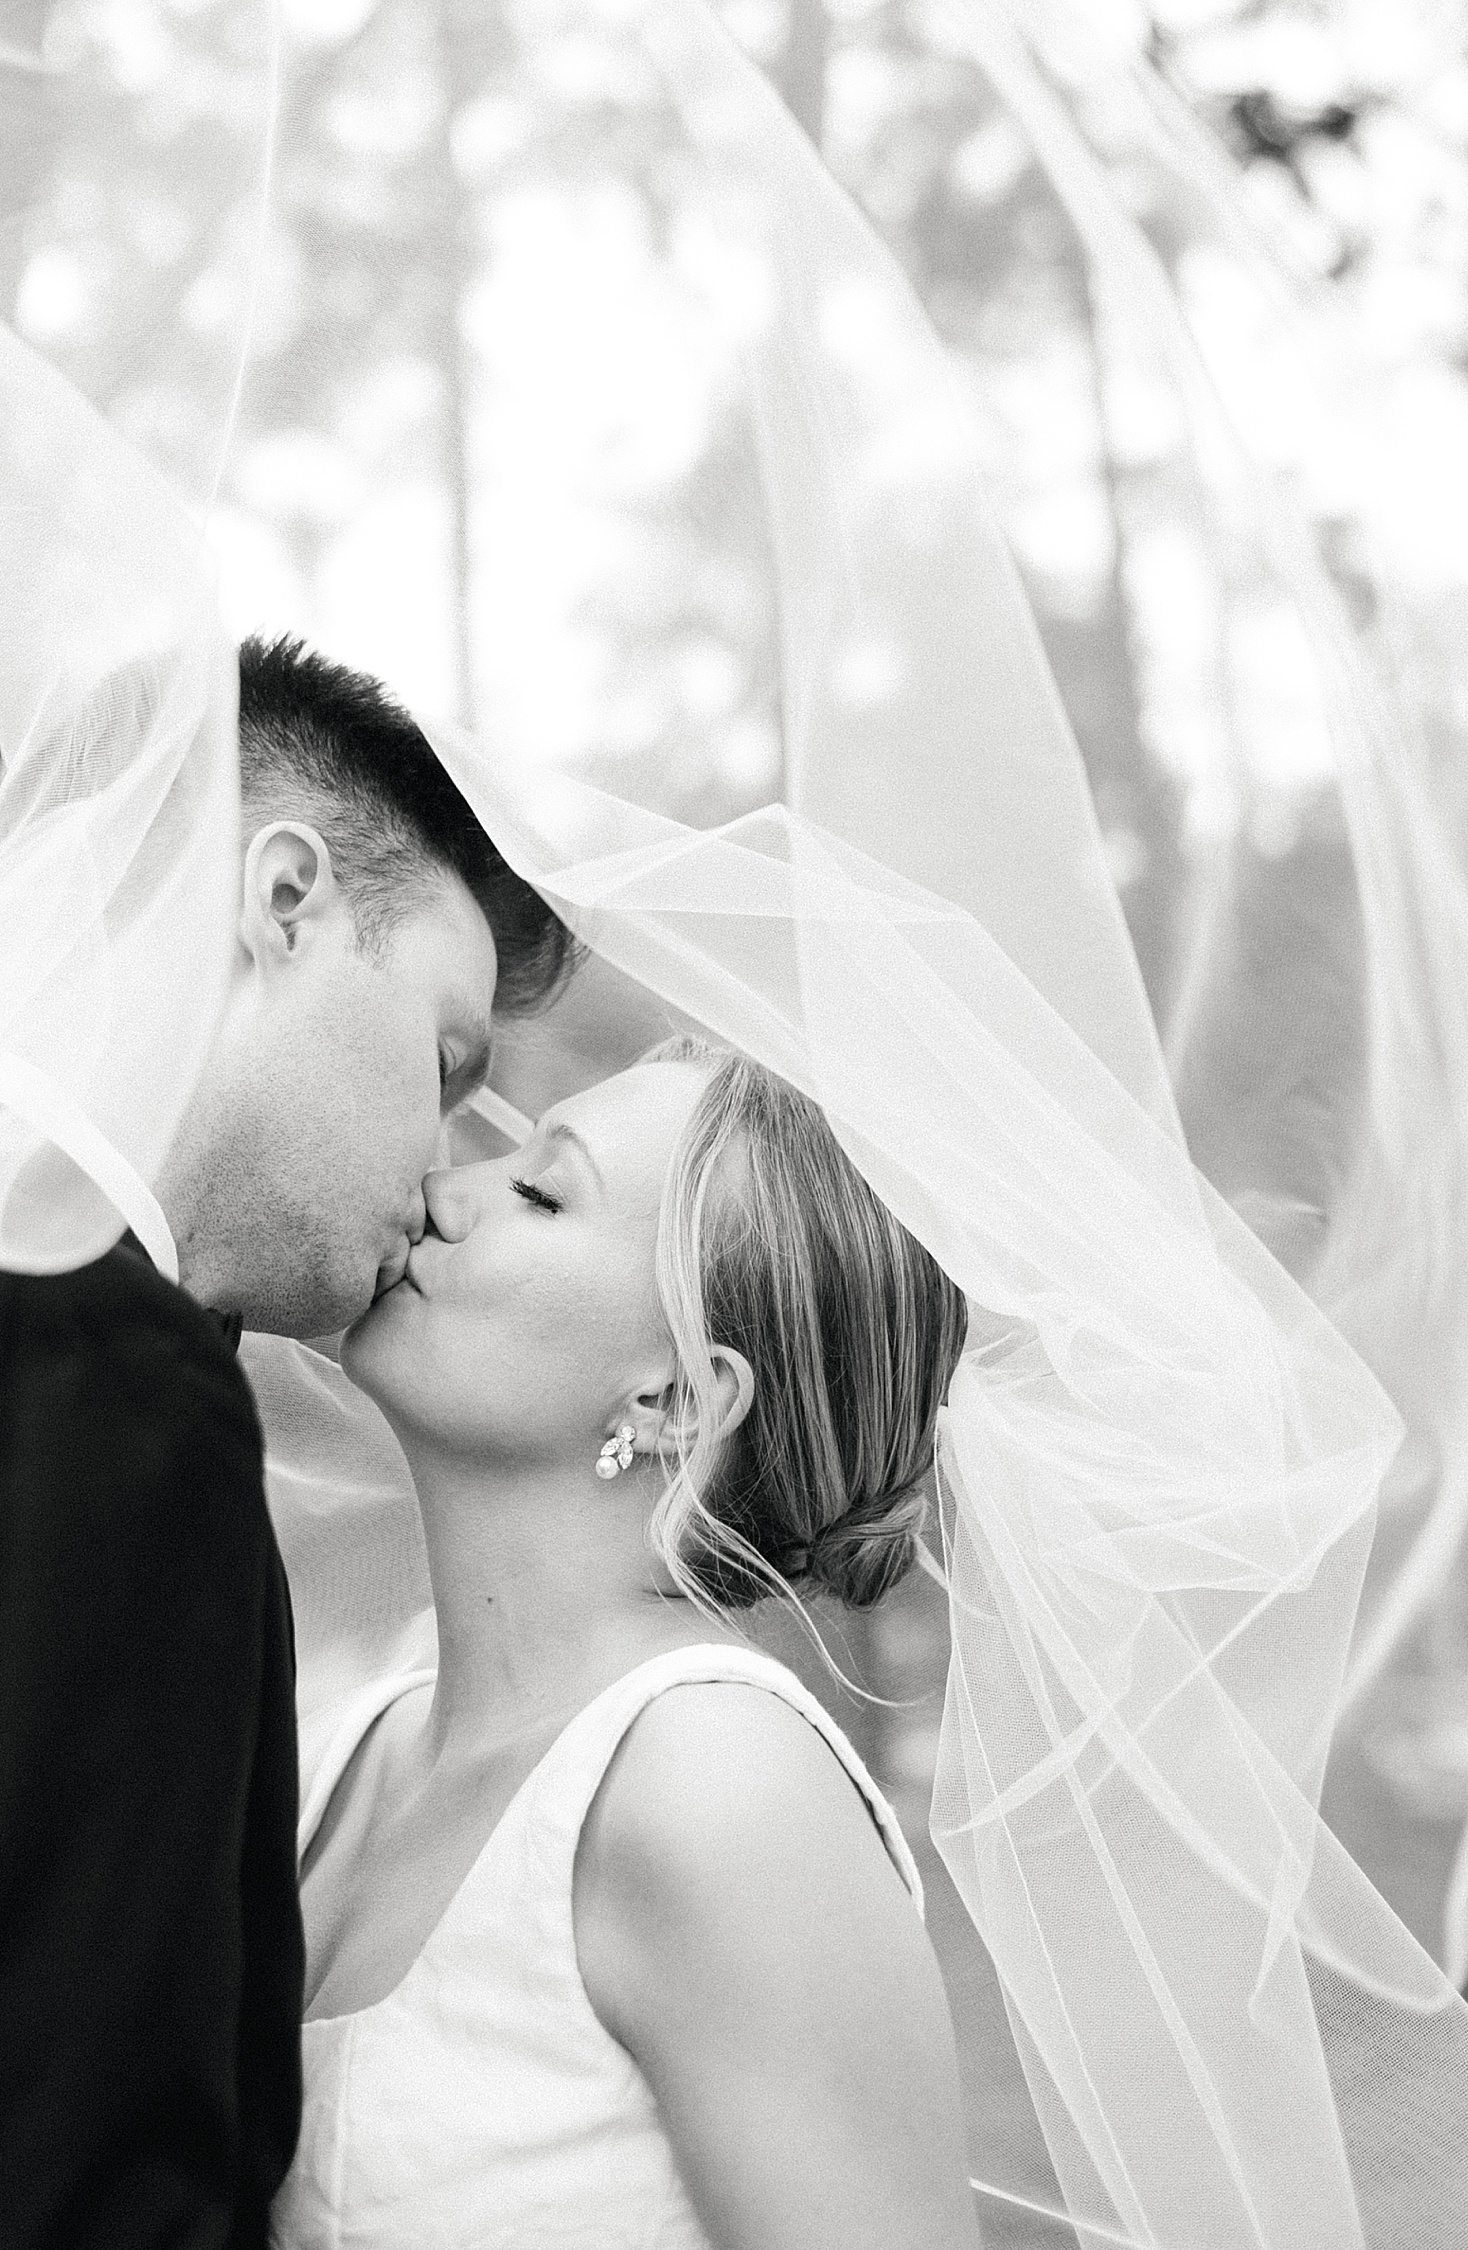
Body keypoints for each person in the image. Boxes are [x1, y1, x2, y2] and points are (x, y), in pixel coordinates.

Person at [0, 634, 574, 2250]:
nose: (442, 1162)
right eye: (446, 1061)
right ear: (285, 900)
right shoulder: (117, 1389)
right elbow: (90, 2166)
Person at [276, 1038, 983, 2250]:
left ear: (673, 1401)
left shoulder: (718, 1788)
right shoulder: (345, 1749)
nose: (447, 1191)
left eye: (543, 1192)